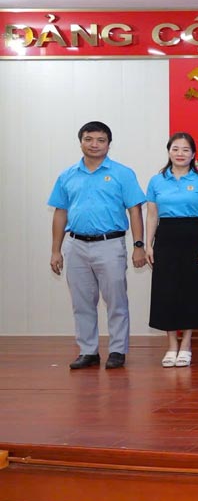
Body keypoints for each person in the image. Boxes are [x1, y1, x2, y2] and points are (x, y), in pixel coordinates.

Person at [48, 121, 148, 370]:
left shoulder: (122, 173)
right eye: (89, 139)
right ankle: (88, 350)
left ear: (109, 144)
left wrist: (138, 245)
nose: (94, 144)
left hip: (110, 244)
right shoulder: (67, 175)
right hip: (75, 246)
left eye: (100, 140)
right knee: (81, 301)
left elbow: (135, 211)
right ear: (80, 141)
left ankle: (117, 350)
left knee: (116, 300)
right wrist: (55, 250)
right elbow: (60, 213)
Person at [145, 132, 198, 367]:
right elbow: (152, 215)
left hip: (194, 237)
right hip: (166, 238)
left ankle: (186, 345)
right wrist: (148, 244)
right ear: (169, 152)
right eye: (175, 149)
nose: (180, 154)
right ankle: (171, 345)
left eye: (185, 150)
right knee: (166, 291)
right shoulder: (157, 181)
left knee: (191, 290)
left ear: (193, 154)